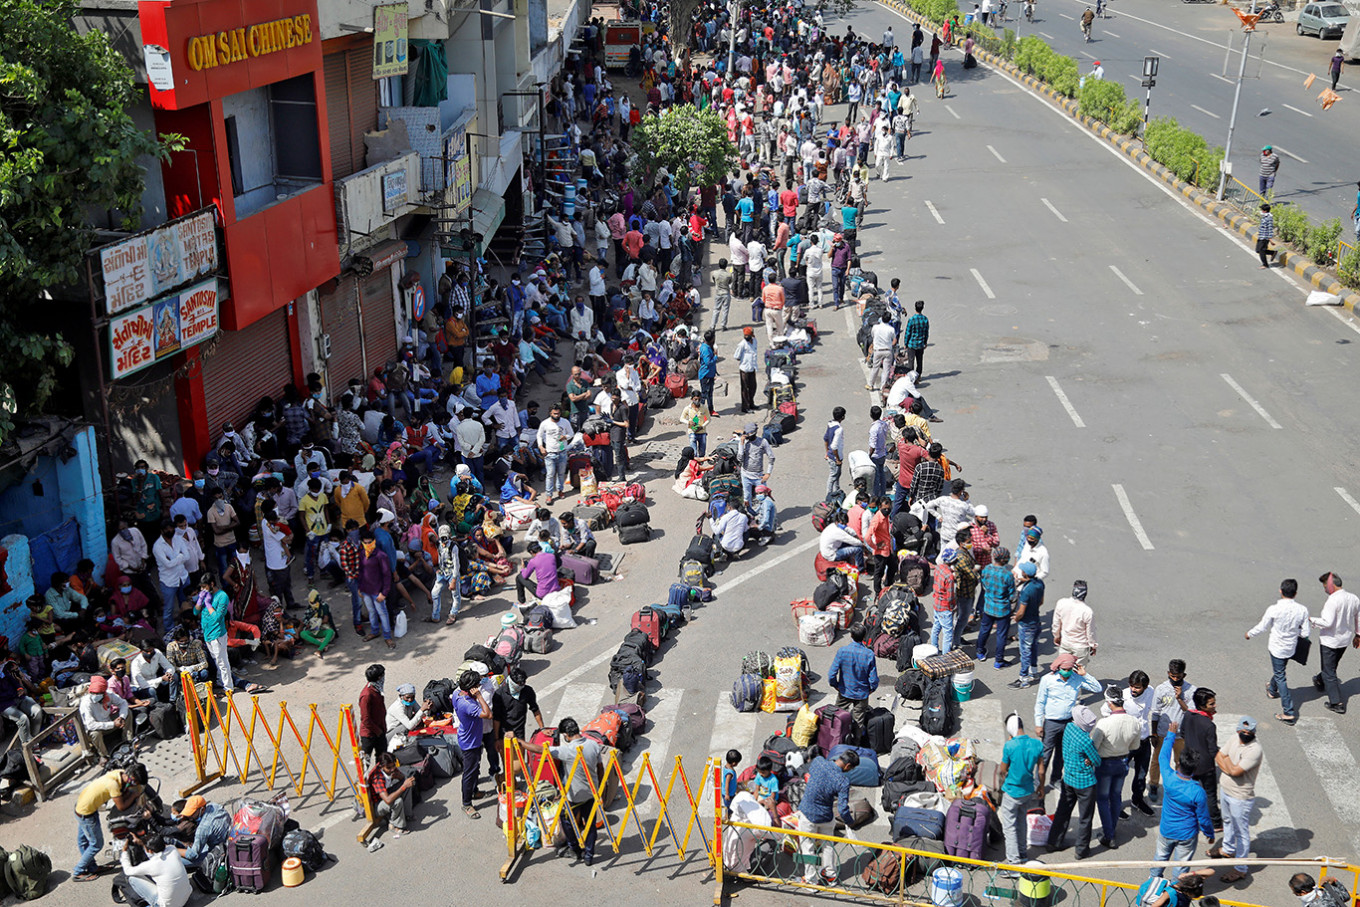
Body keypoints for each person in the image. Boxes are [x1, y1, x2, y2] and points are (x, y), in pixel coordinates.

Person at [522, 717, 603, 865]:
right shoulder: (593, 745)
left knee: (565, 820)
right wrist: (599, 788)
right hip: (591, 792)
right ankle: (589, 856)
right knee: (590, 824)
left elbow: (541, 749)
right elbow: (600, 768)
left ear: (566, 735)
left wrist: (520, 742)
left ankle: (575, 848)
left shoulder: (567, 750)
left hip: (574, 795)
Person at [1148, 724, 1214, 880]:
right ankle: (1175, 892)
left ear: (1179, 763)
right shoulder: (1197, 792)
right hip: (1187, 834)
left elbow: (1163, 757)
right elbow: (1203, 818)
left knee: (1160, 859)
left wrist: (1170, 735)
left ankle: (1152, 884)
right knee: (1181, 866)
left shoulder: (1169, 779)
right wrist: (1209, 833)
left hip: (1166, 829)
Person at [1035, 654, 1103, 793]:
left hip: (1068, 723)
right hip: (1051, 723)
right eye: (1064, 669)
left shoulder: (1077, 679)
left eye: (1069, 669)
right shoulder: (1047, 680)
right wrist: (1038, 723)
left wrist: (1085, 674)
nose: (1066, 672)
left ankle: (1056, 780)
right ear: (1058, 667)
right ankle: (1037, 783)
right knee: (1045, 754)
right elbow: (1040, 702)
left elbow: (1097, 689)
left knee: (1062, 754)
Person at [1245, 578, 1310, 724]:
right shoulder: (1302, 610)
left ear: (1281, 591)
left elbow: (1262, 627)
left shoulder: (1273, 609)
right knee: (1280, 670)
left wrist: (1249, 634)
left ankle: (1288, 712)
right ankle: (1271, 688)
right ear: (1296, 593)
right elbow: (1305, 633)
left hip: (1276, 647)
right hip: (1291, 647)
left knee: (1281, 676)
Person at [1046, 705, 1101, 859]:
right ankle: (1081, 850)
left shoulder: (1069, 728)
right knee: (1085, 817)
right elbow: (1097, 761)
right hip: (1085, 784)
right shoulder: (1086, 740)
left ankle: (1053, 842)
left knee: (1062, 812)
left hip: (1068, 778)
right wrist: (1089, 760)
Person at [796, 750, 860, 882]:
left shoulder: (819, 762)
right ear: (848, 766)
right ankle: (830, 874)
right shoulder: (843, 781)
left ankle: (811, 879)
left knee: (808, 846)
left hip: (807, 814)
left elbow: (808, 771)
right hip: (826, 816)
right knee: (828, 845)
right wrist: (850, 822)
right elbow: (842, 809)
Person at [1092, 684, 1142, 849]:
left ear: (1108, 703)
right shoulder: (1134, 722)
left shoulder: (1104, 723)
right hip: (1122, 763)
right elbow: (1134, 746)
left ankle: (1109, 834)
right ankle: (1111, 830)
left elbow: (1095, 747)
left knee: (1102, 799)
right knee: (1116, 797)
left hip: (1105, 764)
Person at [1213, 717, 1262, 883]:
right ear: (1238, 730)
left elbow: (1236, 772)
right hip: (1226, 790)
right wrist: (1229, 765)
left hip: (1240, 796)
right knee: (1227, 820)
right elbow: (1219, 755)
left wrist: (1226, 763)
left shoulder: (1254, 749)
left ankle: (1241, 868)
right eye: (1243, 731)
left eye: (1250, 732)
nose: (1246, 734)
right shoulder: (1235, 738)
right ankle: (1227, 848)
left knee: (1241, 832)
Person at [74, 766, 142, 881]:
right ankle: (78, 871)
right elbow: (121, 806)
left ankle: (92, 867)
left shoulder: (119, 773)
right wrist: (134, 795)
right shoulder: (113, 785)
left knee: (84, 841)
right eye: (133, 781)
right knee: (96, 844)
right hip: (87, 814)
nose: (133, 784)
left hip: (82, 807)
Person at [997, 713, 1044, 871]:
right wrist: (1041, 787)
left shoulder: (1010, 746)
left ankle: (1014, 863)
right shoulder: (1037, 745)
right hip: (1028, 791)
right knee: (1021, 821)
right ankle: (1023, 854)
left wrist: (1004, 777)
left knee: (1009, 827)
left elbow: (1003, 770)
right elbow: (1042, 772)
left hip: (1012, 792)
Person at [1311, 570, 1359, 715]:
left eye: (1325, 586)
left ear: (1331, 585)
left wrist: (1310, 619)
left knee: (1329, 671)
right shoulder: (1353, 598)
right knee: (1331, 666)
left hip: (1330, 641)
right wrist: (1358, 634)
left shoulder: (1332, 600)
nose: (1325, 589)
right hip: (1344, 640)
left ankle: (1336, 703)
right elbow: (1359, 617)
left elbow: (1327, 622)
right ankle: (1320, 680)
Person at [1149, 659, 1196, 798]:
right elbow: (1155, 712)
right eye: (1172, 676)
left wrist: (1180, 698)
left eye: (1178, 676)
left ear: (1184, 675)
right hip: (1163, 733)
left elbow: (1191, 712)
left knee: (1180, 762)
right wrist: (1154, 733)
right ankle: (1153, 784)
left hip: (1181, 735)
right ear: (1168, 673)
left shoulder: (1191, 690)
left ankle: (1179, 786)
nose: (1175, 679)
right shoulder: (1161, 689)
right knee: (1157, 760)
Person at [453, 668, 492, 819]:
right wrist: (479, 696)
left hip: (471, 737)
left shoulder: (457, 694)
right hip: (470, 743)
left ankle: (474, 791)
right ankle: (467, 803)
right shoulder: (468, 704)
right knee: (469, 773)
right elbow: (488, 714)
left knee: (475, 768)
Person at [828, 624, 879, 731]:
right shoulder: (869, 654)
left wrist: (836, 685)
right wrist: (871, 689)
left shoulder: (842, 651)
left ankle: (837, 741)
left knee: (837, 719)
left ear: (851, 635)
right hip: (862, 694)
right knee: (858, 724)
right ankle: (855, 744)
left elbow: (831, 674)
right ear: (864, 637)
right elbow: (873, 678)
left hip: (844, 691)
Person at [118, 834, 192, 907]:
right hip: (186, 897)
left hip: (169, 905)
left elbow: (128, 871)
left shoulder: (152, 865)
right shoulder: (172, 849)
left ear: (149, 850)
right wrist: (143, 842)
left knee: (133, 878)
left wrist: (124, 852)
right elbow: (156, 851)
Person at [369, 752, 415, 837]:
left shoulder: (391, 767)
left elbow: (402, 778)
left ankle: (407, 815)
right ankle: (396, 826)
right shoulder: (377, 778)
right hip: (377, 805)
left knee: (408, 783)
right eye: (389, 768)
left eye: (393, 766)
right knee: (397, 801)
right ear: (381, 767)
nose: (392, 769)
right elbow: (388, 800)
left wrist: (401, 779)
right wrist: (403, 787)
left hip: (386, 794)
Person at [1052, 580, 1097, 666]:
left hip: (1065, 642)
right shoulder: (1087, 611)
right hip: (1080, 646)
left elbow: (1056, 623)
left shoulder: (1061, 603)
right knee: (1078, 672)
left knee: (1064, 668)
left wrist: (1056, 636)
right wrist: (1093, 645)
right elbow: (1090, 632)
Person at [0, 660, 45, 743]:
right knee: (22, 719)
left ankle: (33, 739)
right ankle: (27, 745)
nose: (3, 663)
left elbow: (13, 681)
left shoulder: (4, 670)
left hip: (17, 697)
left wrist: (19, 688)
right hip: (4, 704)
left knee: (37, 710)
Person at [129, 639, 176, 704]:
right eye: (147, 651)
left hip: (156, 680)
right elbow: (143, 684)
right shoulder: (136, 663)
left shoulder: (157, 653)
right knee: (151, 690)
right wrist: (161, 678)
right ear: (141, 651)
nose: (149, 653)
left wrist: (168, 674)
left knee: (174, 676)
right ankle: (158, 706)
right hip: (141, 687)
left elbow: (169, 666)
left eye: (151, 651)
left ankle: (173, 701)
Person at [359, 664, 387, 763]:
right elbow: (365, 719)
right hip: (370, 734)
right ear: (379, 677)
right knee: (366, 761)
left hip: (380, 730)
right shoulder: (367, 695)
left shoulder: (376, 689)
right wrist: (377, 731)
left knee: (382, 758)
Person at [734, 327, 759, 414]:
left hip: (752, 368)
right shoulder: (742, 344)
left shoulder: (754, 341)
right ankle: (745, 407)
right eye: (745, 335)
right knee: (745, 389)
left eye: (748, 335)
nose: (746, 337)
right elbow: (736, 356)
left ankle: (751, 403)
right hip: (744, 369)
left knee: (753, 387)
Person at [824, 406, 846, 498]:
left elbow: (825, 439)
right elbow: (834, 446)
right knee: (833, 476)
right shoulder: (838, 429)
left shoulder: (830, 424)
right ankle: (829, 496)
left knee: (836, 475)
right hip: (835, 457)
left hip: (830, 456)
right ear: (842, 417)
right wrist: (837, 459)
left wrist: (827, 452)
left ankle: (836, 492)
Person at [682, 391, 711, 457]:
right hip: (692, 432)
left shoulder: (704, 408)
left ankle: (699, 465)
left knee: (702, 453)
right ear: (692, 399)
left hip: (702, 432)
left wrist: (702, 426)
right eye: (695, 399)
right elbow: (682, 418)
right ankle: (695, 466)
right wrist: (688, 422)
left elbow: (708, 419)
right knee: (694, 453)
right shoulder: (687, 408)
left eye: (699, 399)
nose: (697, 401)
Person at [1256, 203, 1276, 269]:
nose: (1261, 211)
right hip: (1261, 236)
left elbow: (1270, 228)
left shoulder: (1269, 218)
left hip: (1265, 237)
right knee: (1258, 250)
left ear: (1265, 211)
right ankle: (1272, 253)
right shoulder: (1264, 216)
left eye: (1262, 210)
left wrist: (1270, 239)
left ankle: (1265, 264)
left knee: (1261, 251)